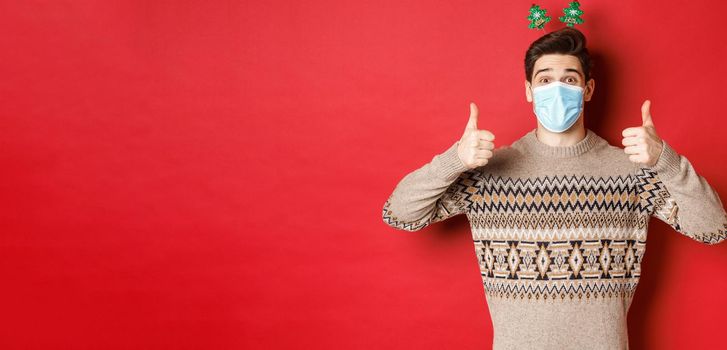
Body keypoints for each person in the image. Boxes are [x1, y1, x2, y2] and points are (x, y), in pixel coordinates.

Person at [381, 27, 727, 350]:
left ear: (587, 89)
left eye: (569, 79)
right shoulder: (486, 172)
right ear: (529, 90)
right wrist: (454, 160)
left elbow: (712, 229)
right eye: (545, 80)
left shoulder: (631, 171)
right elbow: (399, 214)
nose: (556, 89)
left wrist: (664, 161)